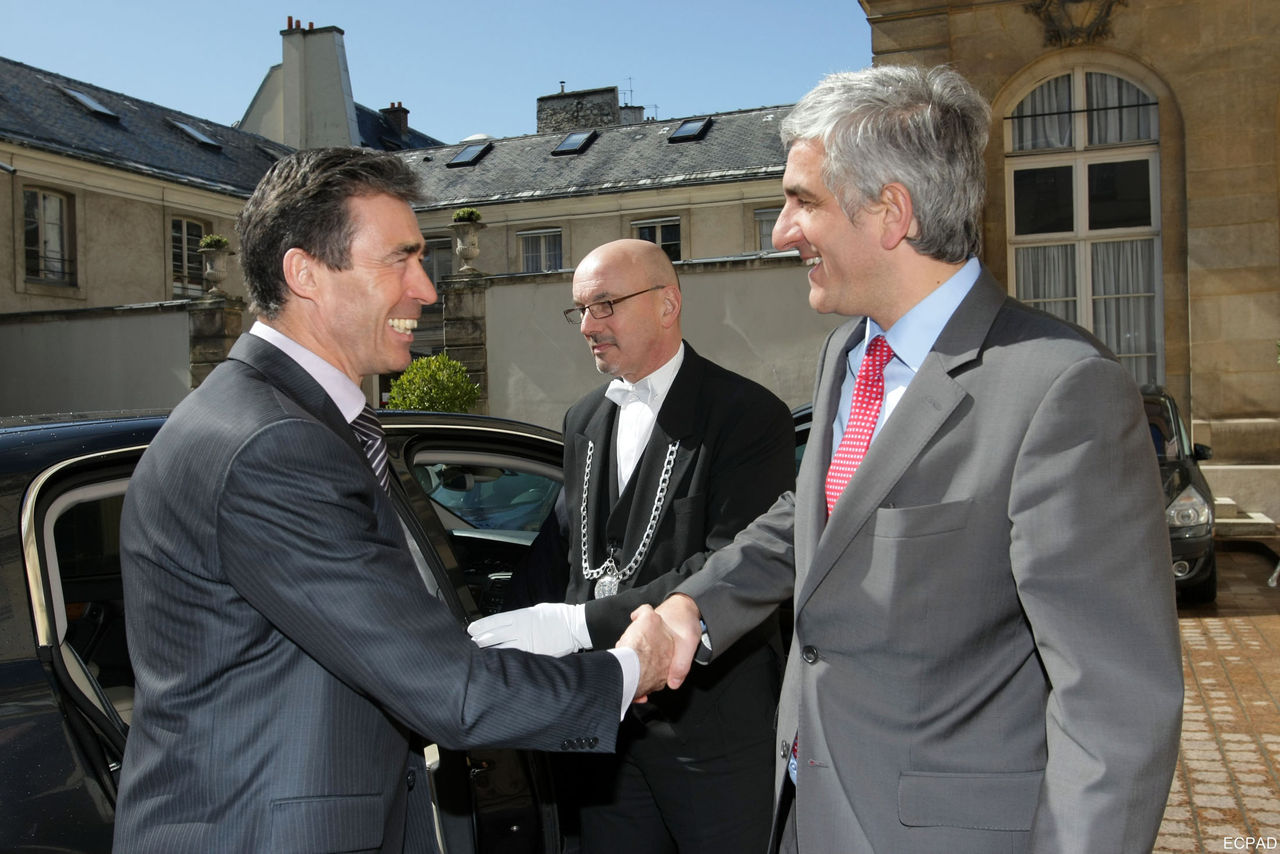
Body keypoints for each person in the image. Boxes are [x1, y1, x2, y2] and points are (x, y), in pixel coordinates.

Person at [654, 66, 1184, 854]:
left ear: (891, 212)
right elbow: (819, 518)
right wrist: (693, 609)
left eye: (804, 201)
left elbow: (1114, 706)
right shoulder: (850, 351)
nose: (781, 230)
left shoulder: (1063, 391)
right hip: (807, 811)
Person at [114, 148, 673, 853]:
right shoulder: (274, 445)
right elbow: (452, 694)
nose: (428, 289)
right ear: (305, 273)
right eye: (401, 260)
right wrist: (629, 669)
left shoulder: (275, 418)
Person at [468, 238, 795, 853]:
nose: (589, 326)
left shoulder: (748, 415)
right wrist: (475, 637)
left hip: (712, 738)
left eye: (606, 305)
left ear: (668, 304)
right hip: (604, 736)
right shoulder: (583, 420)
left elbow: (728, 567)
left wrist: (575, 625)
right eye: (581, 311)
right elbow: (562, 558)